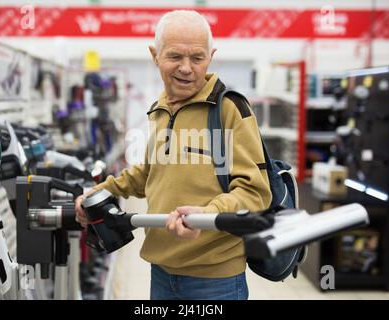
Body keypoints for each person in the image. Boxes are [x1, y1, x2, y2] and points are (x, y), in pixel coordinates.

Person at [75, 10, 272, 300]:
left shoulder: (229, 110)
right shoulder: (161, 108)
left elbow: (255, 192)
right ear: (155, 55)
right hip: (162, 271)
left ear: (211, 56)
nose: (186, 68)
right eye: (175, 56)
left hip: (215, 279)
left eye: (197, 57)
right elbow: (148, 173)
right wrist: (98, 193)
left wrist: (208, 214)